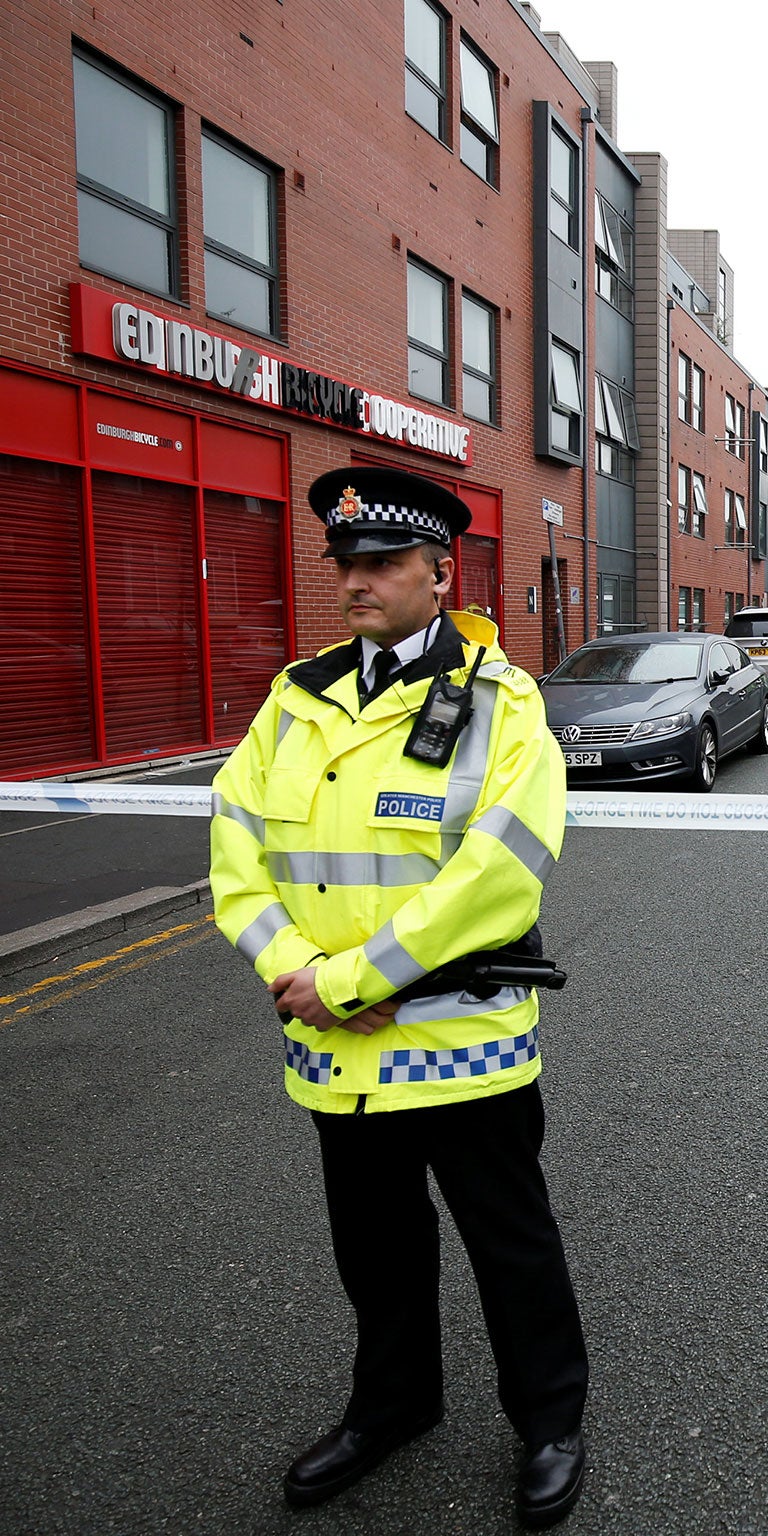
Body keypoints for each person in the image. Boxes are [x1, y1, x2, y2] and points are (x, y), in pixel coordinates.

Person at [209, 466, 589, 1529]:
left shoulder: (502, 701)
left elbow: (501, 870)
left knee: (508, 1241)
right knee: (374, 1247)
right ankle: (393, 1408)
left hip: (456, 1036)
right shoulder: (298, 696)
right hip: (333, 1043)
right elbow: (236, 843)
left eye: (380, 564)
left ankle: (550, 1420)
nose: (355, 583)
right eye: (345, 563)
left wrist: (348, 980)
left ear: (438, 572)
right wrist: (293, 966)